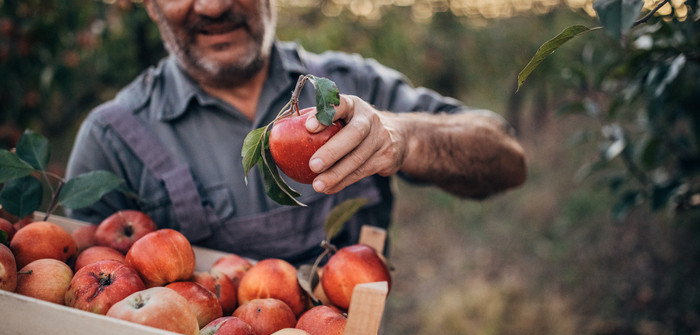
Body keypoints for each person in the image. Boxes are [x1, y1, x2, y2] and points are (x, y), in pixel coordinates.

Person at [65, 0, 527, 266]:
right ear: (150, 5)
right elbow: (85, 302)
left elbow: (508, 160)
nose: (212, 5)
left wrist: (405, 135)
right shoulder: (113, 137)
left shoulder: (349, 88)